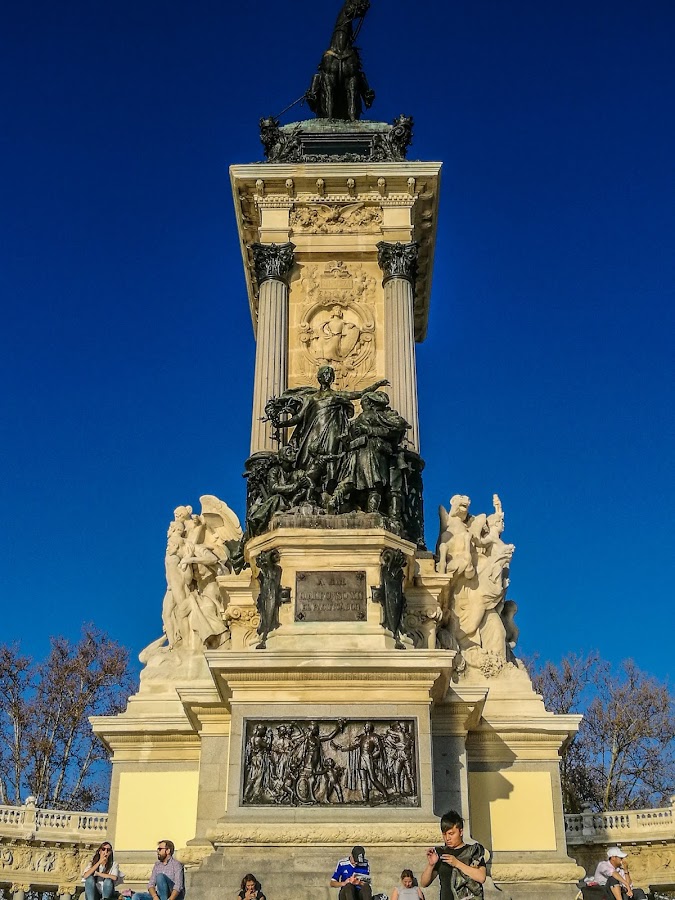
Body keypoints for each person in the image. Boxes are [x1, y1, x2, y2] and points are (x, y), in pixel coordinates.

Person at [420, 810, 487, 900]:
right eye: (444, 834)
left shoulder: (473, 851)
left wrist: (457, 864)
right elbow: (424, 883)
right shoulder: (441, 853)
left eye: (451, 834)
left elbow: (481, 877)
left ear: (461, 832)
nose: (447, 838)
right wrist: (431, 865)